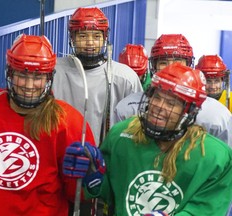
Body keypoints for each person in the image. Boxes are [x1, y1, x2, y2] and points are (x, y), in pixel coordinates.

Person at [0, 34, 96, 216]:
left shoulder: (68, 121)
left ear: (49, 77)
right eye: (22, 75)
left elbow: (78, 194)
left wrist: (89, 177)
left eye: (38, 76)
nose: (29, 85)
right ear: (10, 73)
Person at [64, 63, 232, 216]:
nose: (159, 107)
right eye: (157, 97)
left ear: (189, 111)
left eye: (171, 103)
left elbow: (208, 209)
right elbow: (111, 194)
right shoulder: (121, 135)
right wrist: (93, 180)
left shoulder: (214, 157)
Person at [114, 34, 232, 147]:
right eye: (163, 62)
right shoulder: (127, 107)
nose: (171, 68)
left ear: (189, 65)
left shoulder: (216, 115)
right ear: (153, 66)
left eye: (177, 62)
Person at [52, 7, 143, 147]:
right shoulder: (54, 71)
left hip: (108, 156)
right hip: (62, 153)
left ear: (104, 38)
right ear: (72, 38)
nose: (90, 42)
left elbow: (138, 125)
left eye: (96, 36)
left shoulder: (125, 77)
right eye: (82, 36)